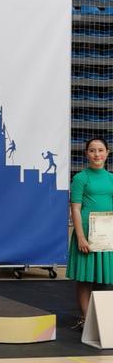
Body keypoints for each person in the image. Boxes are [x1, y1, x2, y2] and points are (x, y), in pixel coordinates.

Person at [67, 138, 113, 329]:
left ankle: (102, 321)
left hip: (107, 232)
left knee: (105, 277)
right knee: (85, 278)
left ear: (107, 153)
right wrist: (81, 237)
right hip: (87, 231)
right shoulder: (80, 178)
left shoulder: (111, 178)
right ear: (86, 154)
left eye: (100, 150)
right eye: (92, 150)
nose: (96, 154)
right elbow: (75, 209)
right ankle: (86, 320)